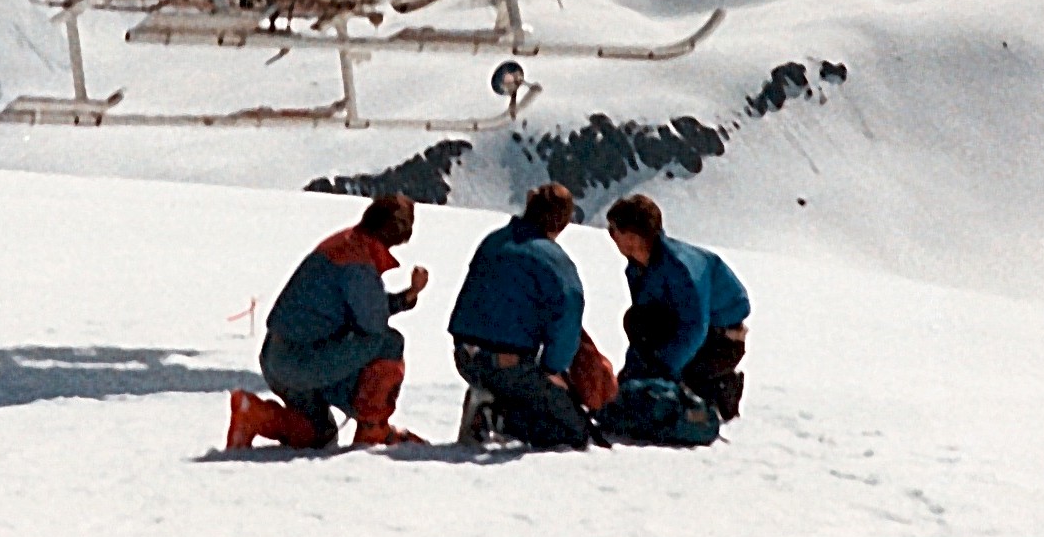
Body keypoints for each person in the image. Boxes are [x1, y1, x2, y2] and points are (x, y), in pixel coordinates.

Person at [226, 194, 429, 450]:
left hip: (276, 356)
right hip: (304, 360)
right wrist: (406, 298)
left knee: (319, 433)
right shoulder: (358, 262)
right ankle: (373, 429)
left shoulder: (344, 243)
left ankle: (254, 414)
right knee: (388, 342)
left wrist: (406, 296)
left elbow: (359, 308)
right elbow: (372, 324)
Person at [447, 183, 592, 450]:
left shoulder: (494, 240)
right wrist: (551, 369)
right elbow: (567, 318)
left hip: (464, 356)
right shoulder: (554, 261)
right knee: (573, 432)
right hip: (508, 364)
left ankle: (490, 398)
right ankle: (498, 417)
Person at [605, 192, 750, 420]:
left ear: (632, 237)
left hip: (722, 342)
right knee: (637, 320)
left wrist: (663, 372)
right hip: (688, 332)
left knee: (672, 385)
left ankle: (720, 386)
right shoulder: (638, 269)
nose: (611, 236)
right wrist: (630, 375)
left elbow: (694, 328)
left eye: (614, 230)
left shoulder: (680, 268)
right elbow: (643, 329)